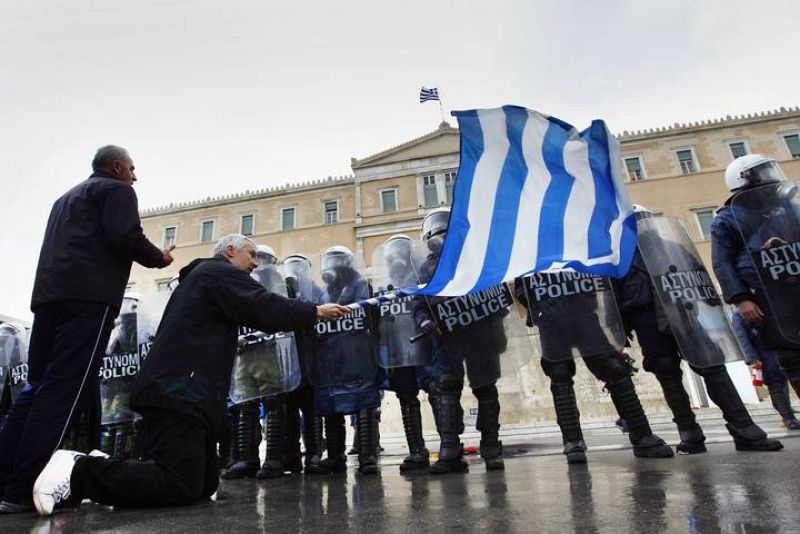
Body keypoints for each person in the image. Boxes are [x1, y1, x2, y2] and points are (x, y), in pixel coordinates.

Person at [30, 234, 350, 516]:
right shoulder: (217, 273)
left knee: (201, 485)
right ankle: (79, 472)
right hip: (179, 392)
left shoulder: (205, 279)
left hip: (184, 393)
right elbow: (262, 306)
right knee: (179, 484)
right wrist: (314, 311)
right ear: (229, 252)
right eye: (250, 255)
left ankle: (109, 469)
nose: (256, 263)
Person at [0, 146, 175, 514]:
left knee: (35, 389)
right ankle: (20, 491)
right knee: (64, 393)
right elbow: (124, 235)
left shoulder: (64, 199)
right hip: (88, 300)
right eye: (131, 168)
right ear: (116, 167)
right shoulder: (118, 190)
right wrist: (159, 258)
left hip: (49, 299)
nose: (135, 176)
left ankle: (5, 480)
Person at [615, 207, 782, 453]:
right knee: (669, 372)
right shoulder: (621, 254)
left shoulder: (668, 246)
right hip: (647, 315)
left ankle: (741, 427)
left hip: (682, 310)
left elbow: (695, 274)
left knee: (708, 366)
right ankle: (692, 431)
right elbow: (616, 292)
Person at [516, 270, 674, 463]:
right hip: (552, 319)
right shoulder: (530, 251)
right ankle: (572, 441)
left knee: (615, 368)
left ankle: (642, 435)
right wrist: (541, 308)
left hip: (585, 315)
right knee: (560, 374)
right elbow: (520, 287)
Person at [412, 208, 509, 473]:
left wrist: (495, 308)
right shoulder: (427, 268)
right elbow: (419, 302)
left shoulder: (476, 259)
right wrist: (425, 321)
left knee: (485, 388)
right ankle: (450, 451)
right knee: (447, 387)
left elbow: (497, 290)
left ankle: (491, 448)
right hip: (447, 338)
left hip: (480, 335)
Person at [712, 154, 800, 399]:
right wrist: (741, 299)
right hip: (764, 293)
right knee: (789, 353)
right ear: (744, 179)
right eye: (763, 171)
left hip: (794, 283)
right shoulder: (727, 218)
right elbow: (722, 262)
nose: (770, 176)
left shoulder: (787, 209)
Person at [309, 246, 382, 475]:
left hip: (356, 353)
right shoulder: (324, 293)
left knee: (363, 403)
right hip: (332, 357)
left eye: (338, 261)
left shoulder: (359, 285)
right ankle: (335, 455)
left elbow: (366, 312)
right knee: (332, 406)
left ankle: (367, 456)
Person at [731, 307, 800, 429]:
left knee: (782, 382)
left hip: (781, 347)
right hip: (765, 353)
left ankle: (785, 410)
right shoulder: (739, 315)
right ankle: (788, 418)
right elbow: (742, 338)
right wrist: (752, 359)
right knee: (776, 383)